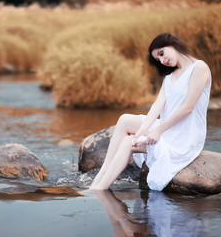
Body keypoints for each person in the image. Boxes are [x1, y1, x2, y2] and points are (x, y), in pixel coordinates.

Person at [89, 32, 212, 191]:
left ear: (172, 44)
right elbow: (157, 107)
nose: (162, 60)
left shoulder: (199, 67)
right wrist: (142, 131)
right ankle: (103, 172)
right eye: (158, 59)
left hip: (185, 135)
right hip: (169, 128)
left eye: (161, 53)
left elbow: (188, 108)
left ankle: (98, 190)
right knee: (125, 119)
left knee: (127, 142)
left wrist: (158, 131)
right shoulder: (171, 75)